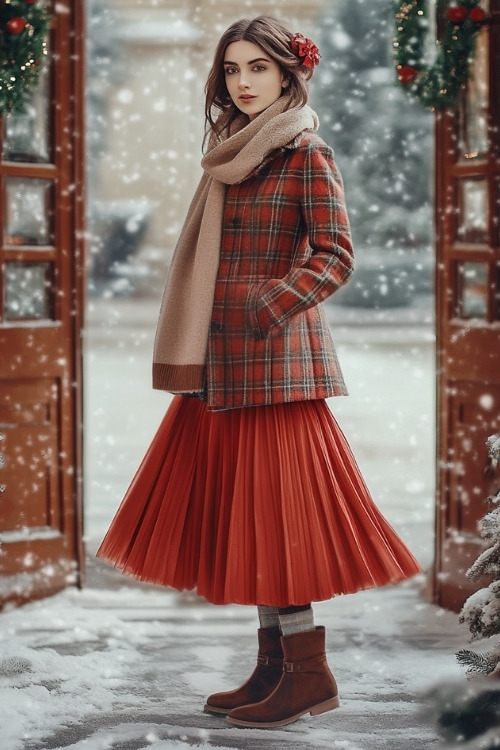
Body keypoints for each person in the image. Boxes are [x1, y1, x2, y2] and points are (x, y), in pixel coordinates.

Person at [97, 15, 422, 729]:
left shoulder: (305, 152)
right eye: (233, 70)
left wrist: (264, 304)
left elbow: (336, 255)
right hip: (224, 365)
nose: (243, 83)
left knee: (277, 523)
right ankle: (276, 666)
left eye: (258, 69)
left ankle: (309, 671)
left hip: (274, 366)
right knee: (250, 520)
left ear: (288, 75)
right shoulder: (230, 154)